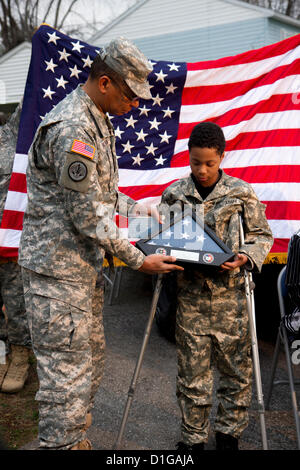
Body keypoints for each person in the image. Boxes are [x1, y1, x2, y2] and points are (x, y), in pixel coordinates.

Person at [18, 37, 183, 450]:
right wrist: (138, 261)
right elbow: (89, 217)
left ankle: (74, 441)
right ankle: (62, 443)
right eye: (131, 95)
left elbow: (99, 193)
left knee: (88, 369)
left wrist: (137, 207)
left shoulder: (97, 118)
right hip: (56, 276)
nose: (136, 104)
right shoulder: (75, 127)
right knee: (65, 387)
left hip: (79, 272)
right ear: (106, 82)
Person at [159, 122, 273, 451]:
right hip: (191, 300)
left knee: (236, 375)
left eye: (210, 163)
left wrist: (245, 257)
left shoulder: (241, 192)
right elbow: (166, 239)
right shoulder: (175, 194)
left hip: (232, 301)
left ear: (221, 157)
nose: (203, 170)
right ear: (188, 157)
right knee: (193, 376)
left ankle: (227, 436)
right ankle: (192, 439)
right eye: (196, 162)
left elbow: (262, 236)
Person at [0, 102, 31, 394]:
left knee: (16, 298)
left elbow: (33, 99)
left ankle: (21, 355)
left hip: (8, 239)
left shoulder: (11, 135)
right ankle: (2, 353)